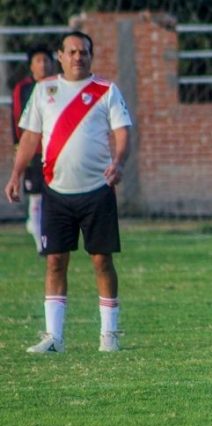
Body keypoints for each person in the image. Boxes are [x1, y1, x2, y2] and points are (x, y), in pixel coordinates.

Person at [4, 31, 132, 353]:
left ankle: (109, 335)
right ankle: (54, 338)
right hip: (56, 193)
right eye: (72, 52)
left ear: (91, 56)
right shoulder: (45, 90)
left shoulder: (106, 90)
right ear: (60, 56)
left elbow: (123, 133)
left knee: (102, 261)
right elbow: (30, 138)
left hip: (97, 191)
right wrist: (16, 174)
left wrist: (117, 162)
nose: (78, 57)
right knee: (55, 262)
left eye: (84, 52)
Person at [10, 45, 55, 253]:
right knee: (36, 196)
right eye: (38, 61)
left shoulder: (57, 86)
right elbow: (18, 120)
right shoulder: (24, 88)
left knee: (52, 197)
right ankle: (40, 245)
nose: (43, 64)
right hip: (34, 152)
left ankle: (48, 237)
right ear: (31, 65)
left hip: (54, 151)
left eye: (46, 60)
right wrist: (20, 148)